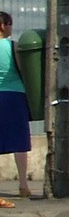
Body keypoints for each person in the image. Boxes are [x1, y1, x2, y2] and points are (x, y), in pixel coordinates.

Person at [0, 13, 35, 205]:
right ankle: (23, 185)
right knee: (20, 141)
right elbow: (23, 71)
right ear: (4, 26)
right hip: (14, 95)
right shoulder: (13, 47)